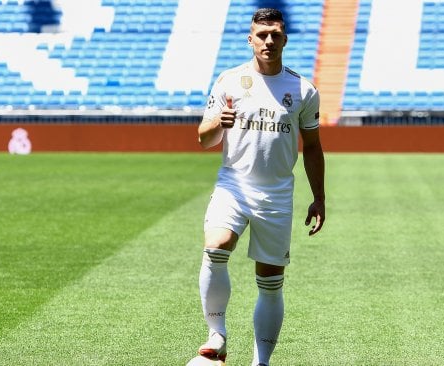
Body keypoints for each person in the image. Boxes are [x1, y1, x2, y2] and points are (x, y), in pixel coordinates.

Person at [192, 7, 326, 366]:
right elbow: (204, 139)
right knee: (216, 247)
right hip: (233, 185)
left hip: (277, 195)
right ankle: (216, 336)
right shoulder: (229, 81)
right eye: (262, 35)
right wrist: (218, 123)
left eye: (275, 35)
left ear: (284, 39)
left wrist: (319, 197)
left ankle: (261, 361)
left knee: (270, 280)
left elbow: (312, 146)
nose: (268, 40)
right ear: (250, 39)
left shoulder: (303, 90)